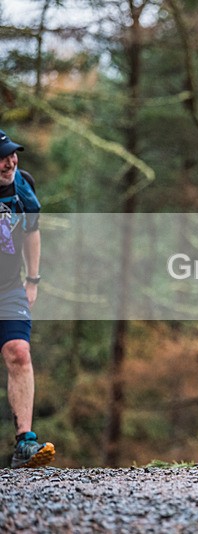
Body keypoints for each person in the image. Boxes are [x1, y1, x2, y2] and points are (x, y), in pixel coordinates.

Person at [0, 129, 55, 468]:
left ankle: (25, 442)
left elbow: (32, 232)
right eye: (2, 158)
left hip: (9, 288)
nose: (10, 162)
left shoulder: (24, 185)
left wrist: (33, 280)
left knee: (19, 351)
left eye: (12, 154)